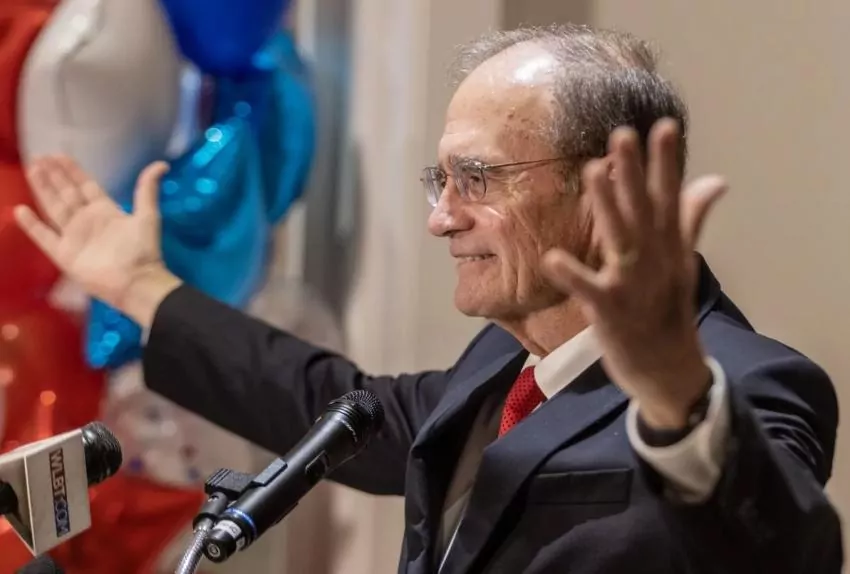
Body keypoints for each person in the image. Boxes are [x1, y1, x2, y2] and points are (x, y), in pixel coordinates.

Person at [14, 24, 841, 574]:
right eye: (439, 181)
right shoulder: (505, 364)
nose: (441, 219)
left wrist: (677, 401)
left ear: (605, 187)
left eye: (476, 179)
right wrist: (141, 289)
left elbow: (787, 553)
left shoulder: (752, 383)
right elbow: (330, 404)